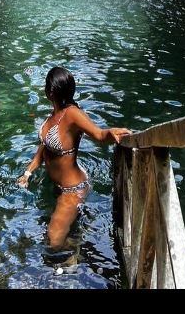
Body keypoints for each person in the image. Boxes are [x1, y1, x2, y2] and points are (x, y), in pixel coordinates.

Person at [17, 66, 130, 252]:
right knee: (49, 231)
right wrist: (28, 173)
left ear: (50, 91)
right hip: (56, 185)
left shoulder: (72, 114)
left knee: (53, 242)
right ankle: (74, 234)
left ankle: (79, 246)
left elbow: (99, 134)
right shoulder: (54, 114)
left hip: (73, 189)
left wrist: (111, 132)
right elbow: (43, 148)